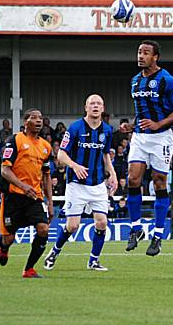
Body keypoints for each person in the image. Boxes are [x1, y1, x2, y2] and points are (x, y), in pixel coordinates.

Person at [120, 40, 173, 256]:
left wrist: (158, 124)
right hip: (140, 137)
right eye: (139, 52)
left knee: (159, 182)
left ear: (155, 57)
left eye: (146, 53)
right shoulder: (134, 81)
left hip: (161, 138)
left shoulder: (166, 79)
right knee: (133, 179)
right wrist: (131, 125)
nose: (141, 56)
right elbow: (142, 111)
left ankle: (158, 235)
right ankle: (136, 228)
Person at [44, 94, 117, 272]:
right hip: (76, 185)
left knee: (102, 223)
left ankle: (94, 260)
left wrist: (113, 174)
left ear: (103, 108)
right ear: (86, 107)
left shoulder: (107, 130)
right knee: (73, 226)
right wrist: (74, 166)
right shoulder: (75, 127)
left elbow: (106, 154)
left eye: (99, 103)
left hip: (98, 184)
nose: (95, 106)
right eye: (92, 103)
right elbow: (61, 154)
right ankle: (54, 251)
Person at [0, 109, 53, 279]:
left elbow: (46, 175)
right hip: (13, 197)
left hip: (34, 197)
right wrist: (22, 186)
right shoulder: (14, 140)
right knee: (9, 238)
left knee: (43, 229)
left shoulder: (46, 147)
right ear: (25, 122)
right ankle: (4, 248)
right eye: (34, 118)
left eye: (41, 118)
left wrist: (50, 202)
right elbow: (5, 170)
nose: (38, 121)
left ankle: (29, 269)